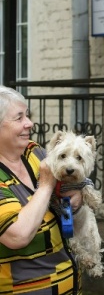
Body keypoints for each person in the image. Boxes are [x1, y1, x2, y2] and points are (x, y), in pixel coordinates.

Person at [0, 86, 82, 294]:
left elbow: (68, 182)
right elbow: (17, 236)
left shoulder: (33, 151)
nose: (30, 123)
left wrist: (76, 194)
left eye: (27, 115)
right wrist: (46, 185)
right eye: (19, 118)